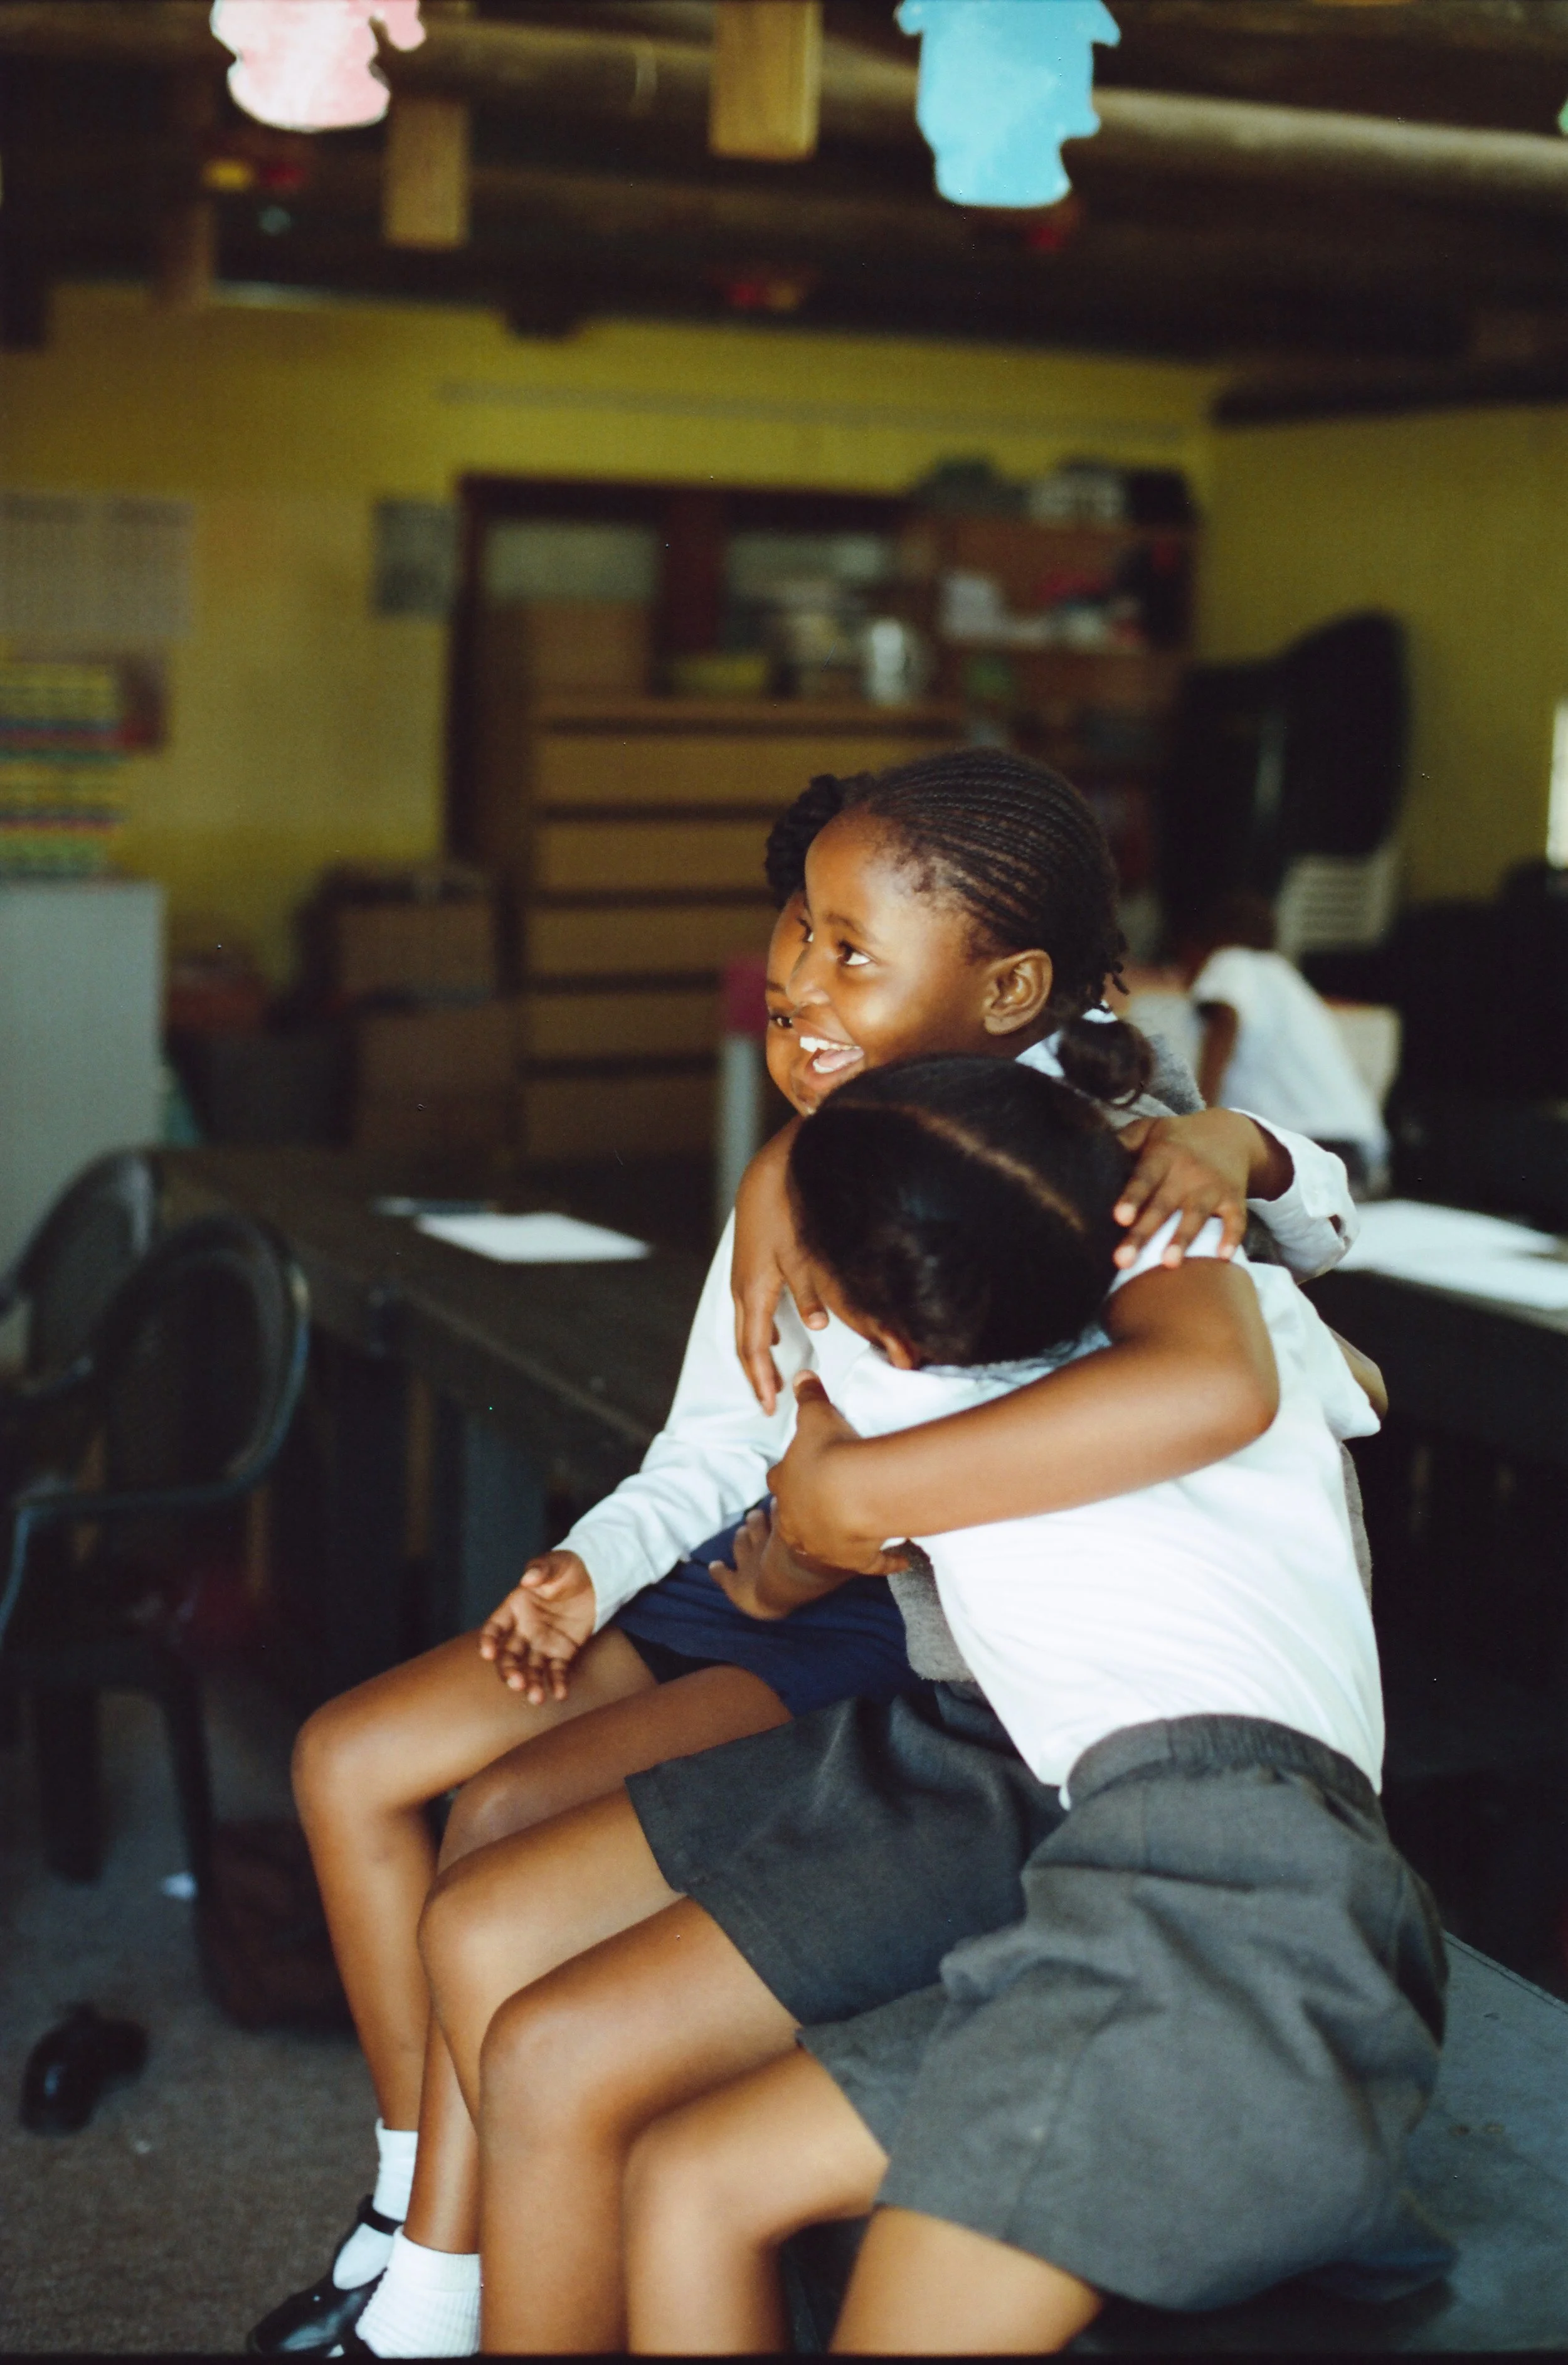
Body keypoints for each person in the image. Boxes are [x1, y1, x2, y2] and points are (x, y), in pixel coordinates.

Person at [249, 751, 1311, 2359]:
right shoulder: (815, 1149)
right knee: (363, 1761)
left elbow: (1266, 1304)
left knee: (503, 1825)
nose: (795, 979)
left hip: (909, 1641)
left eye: (847, 949)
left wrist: (1241, 1142)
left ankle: (438, 2285)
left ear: (1008, 988)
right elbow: (712, 1444)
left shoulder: (1088, 1157)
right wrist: (602, 1571)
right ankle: (418, 2228)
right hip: (780, 1566)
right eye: (796, 936)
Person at [618, 1057, 1447, 2356]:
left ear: (878, 1333)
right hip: (1210, 1875)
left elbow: (799, 1526)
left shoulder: (892, 1401)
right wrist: (1214, 1147)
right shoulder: (1227, 1306)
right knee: (691, 2177)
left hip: (1217, 1915)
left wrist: (777, 1199)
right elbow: (1366, 1386)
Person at [1177, 890, 1391, 1191]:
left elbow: (1225, 1016)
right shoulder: (1284, 978)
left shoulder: (1230, 961)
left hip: (1301, 1145)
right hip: (1351, 1149)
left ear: (1201, 945)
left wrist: (1198, 1118)